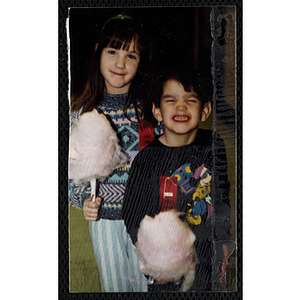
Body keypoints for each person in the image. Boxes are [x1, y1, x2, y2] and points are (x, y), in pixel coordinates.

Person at [69, 14, 161, 292]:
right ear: (98, 52)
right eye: (113, 52)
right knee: (115, 286)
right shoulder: (81, 115)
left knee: (149, 283)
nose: (121, 64)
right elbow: (69, 176)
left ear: (140, 62)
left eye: (131, 56)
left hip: (146, 218)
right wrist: (84, 200)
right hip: (105, 221)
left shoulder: (150, 111)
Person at [122, 67, 232, 292]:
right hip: (168, 266)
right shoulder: (147, 160)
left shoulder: (214, 145)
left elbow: (221, 194)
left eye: (190, 100)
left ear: (205, 110)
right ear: (157, 111)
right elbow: (133, 215)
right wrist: (157, 263)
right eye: (170, 100)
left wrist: (222, 238)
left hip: (205, 255)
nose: (181, 106)